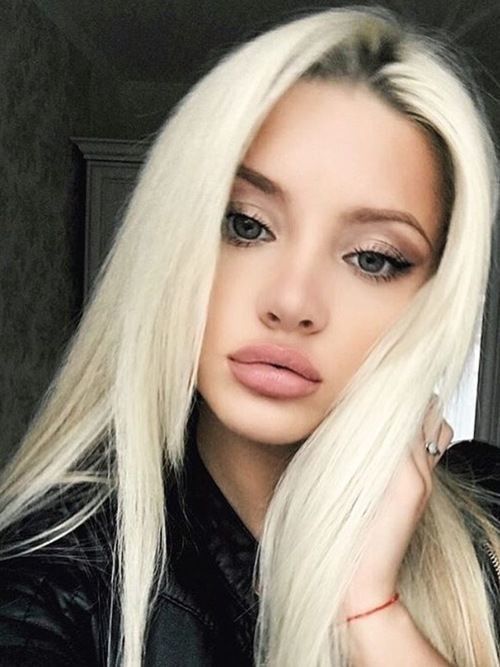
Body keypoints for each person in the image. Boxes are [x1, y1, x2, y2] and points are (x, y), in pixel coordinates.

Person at [0, 5, 499, 666]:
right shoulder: (51, 591)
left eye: (373, 258)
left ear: (432, 300)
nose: (292, 302)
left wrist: (370, 614)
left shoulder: (485, 530)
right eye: (246, 224)